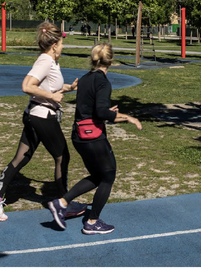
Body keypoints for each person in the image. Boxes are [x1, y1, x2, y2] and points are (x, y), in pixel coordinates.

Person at [0, 22, 78, 222]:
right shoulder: (45, 61)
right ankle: (63, 204)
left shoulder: (51, 62)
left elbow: (48, 88)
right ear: (53, 45)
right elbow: (27, 86)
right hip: (43, 117)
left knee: (22, 158)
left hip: (35, 115)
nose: (62, 47)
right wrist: (52, 98)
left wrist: (68, 88)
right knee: (62, 157)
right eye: (61, 43)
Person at [49, 43, 142, 235]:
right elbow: (100, 112)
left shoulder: (85, 79)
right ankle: (92, 221)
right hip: (93, 137)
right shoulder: (103, 82)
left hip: (78, 135)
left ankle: (62, 202)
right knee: (108, 176)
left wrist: (107, 111)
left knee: (98, 176)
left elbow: (91, 108)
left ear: (93, 59)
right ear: (111, 61)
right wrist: (127, 117)